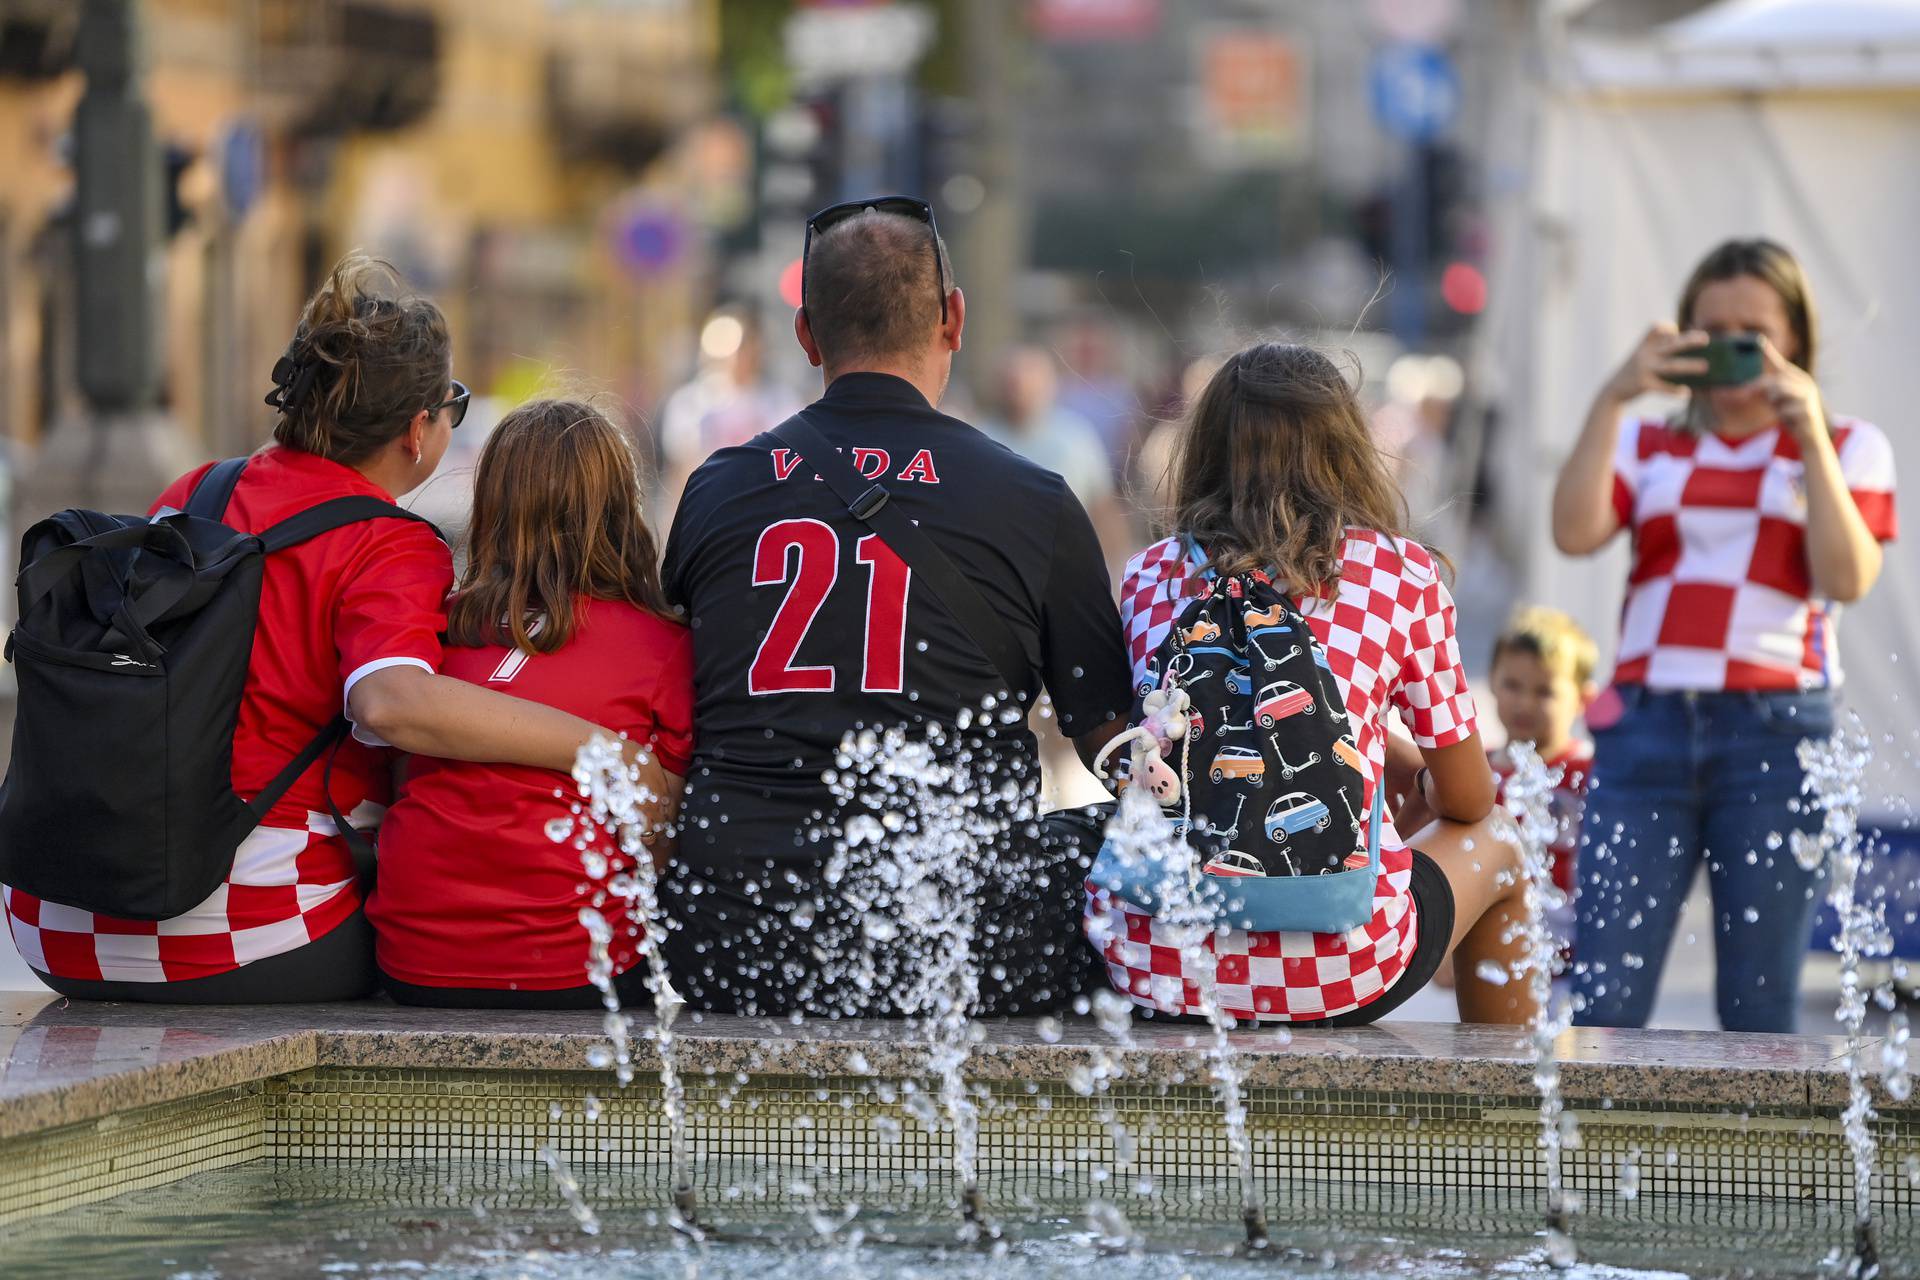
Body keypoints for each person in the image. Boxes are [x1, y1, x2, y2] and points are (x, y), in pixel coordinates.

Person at [1, 255, 665, 1004]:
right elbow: (390, 702)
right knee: (431, 944)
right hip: (229, 934)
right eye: (453, 405)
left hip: (53, 922)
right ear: (418, 429)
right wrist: (605, 752)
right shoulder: (389, 544)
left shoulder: (199, 491)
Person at [661, 198, 1134, 1017]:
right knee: (1120, 838)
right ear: (954, 318)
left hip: (731, 930)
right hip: (956, 937)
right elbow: (1113, 744)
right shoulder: (1036, 500)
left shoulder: (718, 488)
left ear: (806, 336)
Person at [1094, 342, 1536, 1026]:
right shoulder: (1399, 574)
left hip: (1160, 969)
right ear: (1348, 451)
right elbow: (1470, 798)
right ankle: (1507, 1108)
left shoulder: (1150, 575)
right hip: (1342, 971)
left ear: (1205, 449)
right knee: (1501, 841)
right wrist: (1412, 778)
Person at [1551, 238, 1897, 1032]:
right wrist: (1613, 395)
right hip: (1645, 726)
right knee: (1605, 999)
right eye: (1712, 332)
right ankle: (1597, 1154)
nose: (1733, 353)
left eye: (1754, 333)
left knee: (1759, 1008)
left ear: (1796, 341)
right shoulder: (1645, 440)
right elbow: (1573, 532)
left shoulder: (1848, 445)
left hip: (1776, 733)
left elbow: (1846, 579)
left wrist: (1807, 431)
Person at [368, 399, 692, 1008]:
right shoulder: (663, 648)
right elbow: (660, 837)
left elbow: (403, 777)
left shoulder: (440, 633)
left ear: (492, 505)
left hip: (414, 962)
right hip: (576, 970)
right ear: (621, 509)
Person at [1484, 606, 1598, 973]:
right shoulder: (1477, 774)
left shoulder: (1590, 772)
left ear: (1583, 699)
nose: (1524, 703)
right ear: (1492, 682)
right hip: (1498, 959)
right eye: (1512, 686)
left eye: (1545, 692)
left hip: (1576, 960)